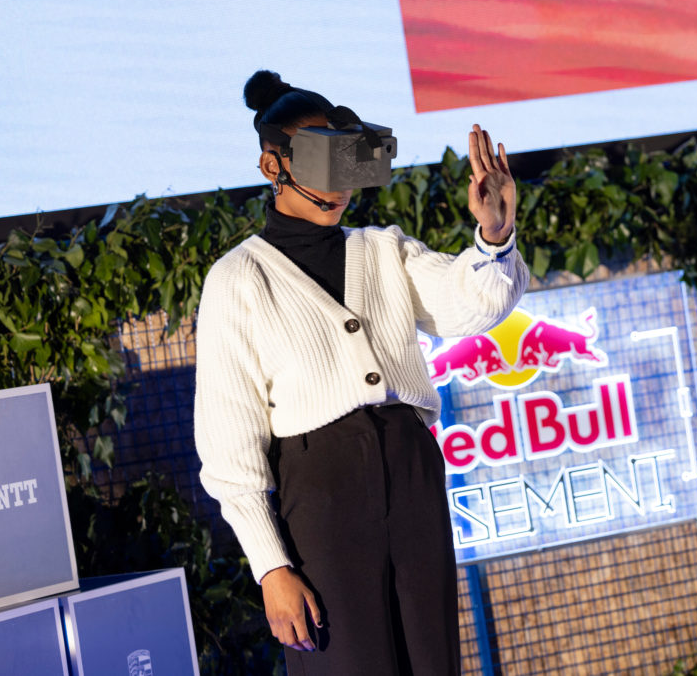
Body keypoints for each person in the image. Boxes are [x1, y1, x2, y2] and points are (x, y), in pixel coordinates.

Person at [193, 70, 528, 675]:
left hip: (411, 473)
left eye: (346, 163)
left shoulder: (382, 250)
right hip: (321, 494)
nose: (337, 186)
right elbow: (229, 449)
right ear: (272, 166)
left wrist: (495, 235)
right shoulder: (238, 279)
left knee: (431, 661)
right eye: (319, 164)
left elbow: (470, 302)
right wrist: (271, 567)